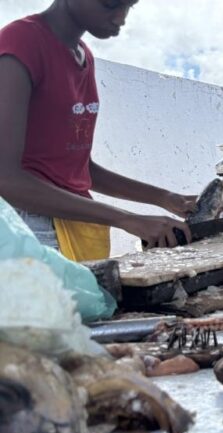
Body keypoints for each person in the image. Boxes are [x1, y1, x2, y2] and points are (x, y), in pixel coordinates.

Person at [0, 0, 196, 260]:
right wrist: (127, 219)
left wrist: (166, 198)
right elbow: (6, 179)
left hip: (72, 222)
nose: (121, 18)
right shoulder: (22, 42)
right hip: (26, 229)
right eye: (110, 5)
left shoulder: (84, 56)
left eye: (129, 6)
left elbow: (80, 168)